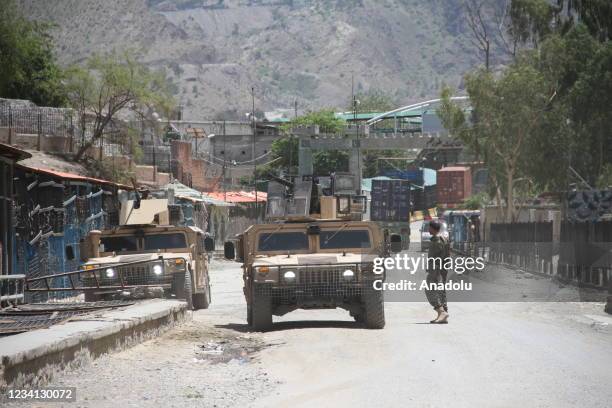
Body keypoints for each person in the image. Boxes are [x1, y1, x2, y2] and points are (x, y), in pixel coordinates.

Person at [425, 220, 450, 324]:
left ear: (433, 228)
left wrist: (435, 271)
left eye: (429, 227)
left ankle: (441, 312)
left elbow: (436, 258)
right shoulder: (444, 238)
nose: (428, 229)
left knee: (429, 290)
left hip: (436, 270)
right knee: (440, 291)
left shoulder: (436, 241)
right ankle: (443, 314)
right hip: (442, 269)